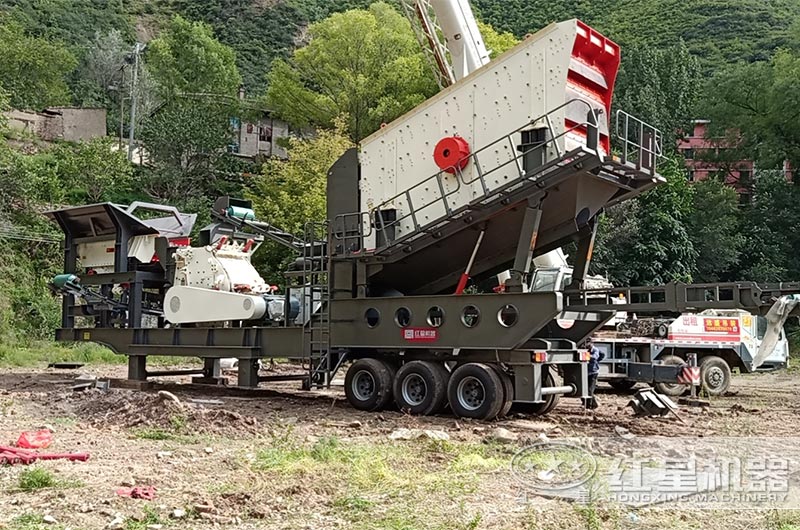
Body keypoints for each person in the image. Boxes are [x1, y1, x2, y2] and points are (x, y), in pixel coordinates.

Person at [584, 338, 604, 410]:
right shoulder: (585, 349)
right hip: (586, 372)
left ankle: (589, 406)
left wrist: (585, 355)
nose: (587, 344)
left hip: (593, 372)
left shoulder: (595, 350)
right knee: (585, 390)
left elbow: (595, 357)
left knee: (590, 390)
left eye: (589, 343)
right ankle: (593, 404)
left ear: (592, 343)